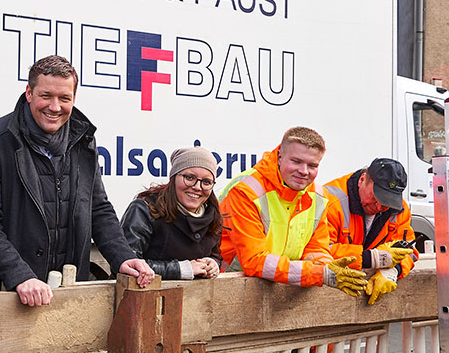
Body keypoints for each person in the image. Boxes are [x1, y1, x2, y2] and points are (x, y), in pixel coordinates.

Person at [0, 55, 154, 306]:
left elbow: (98, 208)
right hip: (8, 293)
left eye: (64, 98)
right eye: (46, 96)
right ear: (29, 93)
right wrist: (19, 275)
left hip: (72, 292)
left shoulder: (83, 140)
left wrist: (122, 257)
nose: (55, 107)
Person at [218, 126, 367, 295]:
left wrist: (329, 267)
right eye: (296, 161)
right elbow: (254, 260)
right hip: (229, 286)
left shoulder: (318, 195)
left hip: (276, 287)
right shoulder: (247, 191)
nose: (304, 171)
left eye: (312, 165)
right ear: (280, 157)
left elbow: (315, 249)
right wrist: (320, 274)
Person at [322, 158, 418, 304]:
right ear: (362, 180)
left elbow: (409, 251)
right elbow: (319, 251)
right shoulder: (330, 201)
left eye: (387, 202)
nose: (379, 207)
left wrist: (393, 270)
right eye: (376, 197)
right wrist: (372, 258)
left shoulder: (399, 210)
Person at [120, 147, 222, 280]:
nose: (197, 187)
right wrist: (181, 269)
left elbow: (216, 255)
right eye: (189, 177)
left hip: (194, 298)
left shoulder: (213, 215)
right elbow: (128, 265)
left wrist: (212, 264)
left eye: (206, 182)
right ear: (173, 178)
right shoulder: (144, 209)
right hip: (143, 297)